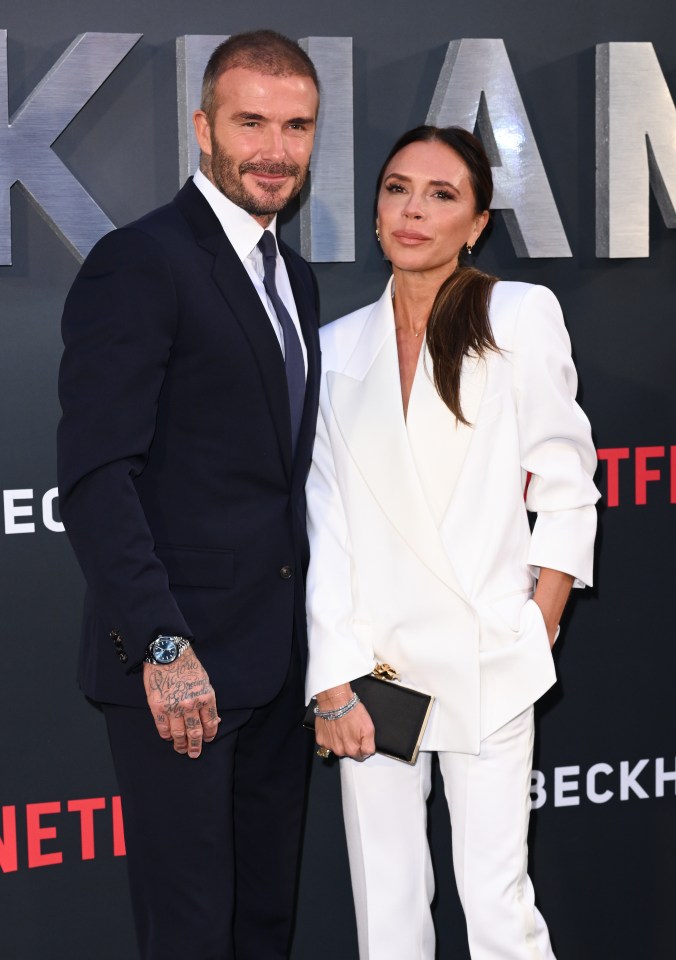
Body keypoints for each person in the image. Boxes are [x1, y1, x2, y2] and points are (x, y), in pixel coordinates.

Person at [305, 125, 600, 960]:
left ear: (476, 223)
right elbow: (327, 524)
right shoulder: (333, 352)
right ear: (373, 212)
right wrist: (330, 678)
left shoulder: (517, 315)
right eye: (398, 188)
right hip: (376, 669)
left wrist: (535, 620)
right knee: (389, 912)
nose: (413, 211)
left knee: (498, 906)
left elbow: (568, 481)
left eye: (442, 195)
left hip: (488, 657)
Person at [57, 30, 320, 960]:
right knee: (193, 935)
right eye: (252, 122)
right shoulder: (143, 260)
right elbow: (96, 478)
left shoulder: (293, 275)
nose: (275, 150)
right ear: (203, 127)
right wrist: (165, 648)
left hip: (276, 668)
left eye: (296, 126)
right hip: (184, 673)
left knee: (263, 927)